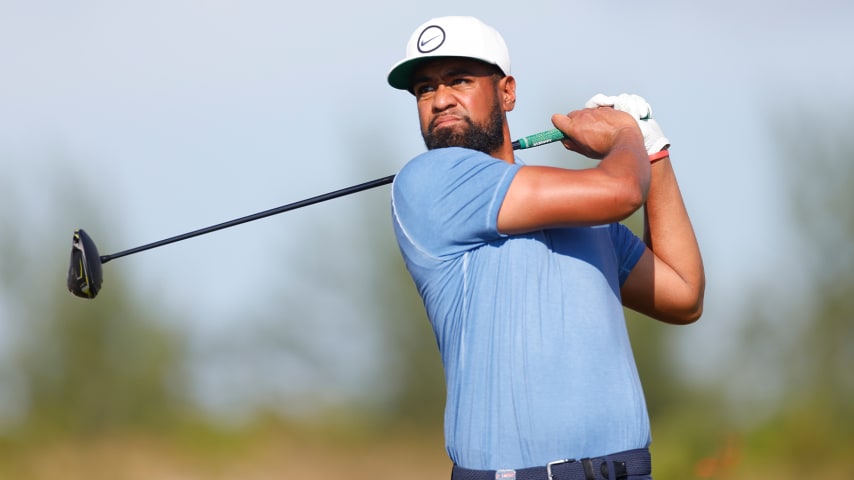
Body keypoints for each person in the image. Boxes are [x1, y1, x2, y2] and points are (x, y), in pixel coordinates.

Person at [387, 16, 704, 480]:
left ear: (507, 92)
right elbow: (619, 192)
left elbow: (683, 293)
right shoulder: (429, 183)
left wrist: (654, 154)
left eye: (459, 80)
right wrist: (624, 135)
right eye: (424, 89)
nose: (439, 100)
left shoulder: (579, 211)